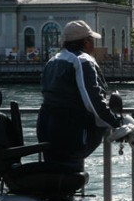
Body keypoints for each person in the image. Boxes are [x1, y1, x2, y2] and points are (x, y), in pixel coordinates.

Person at [36, 20, 121, 172]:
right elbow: (93, 101)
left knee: (59, 177)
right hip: (70, 133)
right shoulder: (82, 60)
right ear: (86, 42)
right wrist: (116, 123)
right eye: (92, 40)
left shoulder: (52, 60)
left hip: (46, 131)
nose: (94, 45)